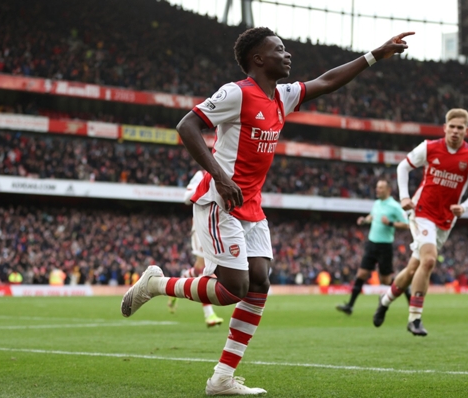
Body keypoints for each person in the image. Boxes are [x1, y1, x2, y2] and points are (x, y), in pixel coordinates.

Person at [120, 26, 413, 395]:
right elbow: (187, 125)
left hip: (251, 206)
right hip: (219, 199)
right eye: (279, 49)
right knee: (234, 288)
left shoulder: (282, 96)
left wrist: (374, 55)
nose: (287, 54)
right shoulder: (235, 93)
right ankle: (156, 284)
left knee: (259, 282)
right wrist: (220, 176)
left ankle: (222, 379)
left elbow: (327, 81)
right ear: (258, 59)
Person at [373, 108, 468, 337]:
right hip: (421, 211)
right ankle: (414, 318)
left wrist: (464, 207)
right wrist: (404, 196)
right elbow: (403, 167)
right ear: (445, 128)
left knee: (414, 267)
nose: (455, 131)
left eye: (460, 127)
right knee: (429, 260)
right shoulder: (429, 147)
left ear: (467, 130)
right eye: (452, 126)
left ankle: (385, 301)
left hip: (446, 219)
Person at [336, 179, 409, 316]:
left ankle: (406, 288)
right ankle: (350, 306)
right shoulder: (376, 203)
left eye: (381, 188)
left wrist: (390, 223)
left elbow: (406, 224)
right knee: (361, 274)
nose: (377, 190)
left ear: (388, 190)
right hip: (371, 244)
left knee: (386, 280)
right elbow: (372, 216)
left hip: (385, 246)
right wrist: (365, 220)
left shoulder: (394, 206)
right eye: (377, 187)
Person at [167, 170, 225, 328]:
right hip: (201, 229)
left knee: (199, 268)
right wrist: (208, 188)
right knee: (205, 270)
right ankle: (209, 315)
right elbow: (187, 197)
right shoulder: (201, 175)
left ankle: (175, 286)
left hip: (217, 228)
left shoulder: (226, 173)